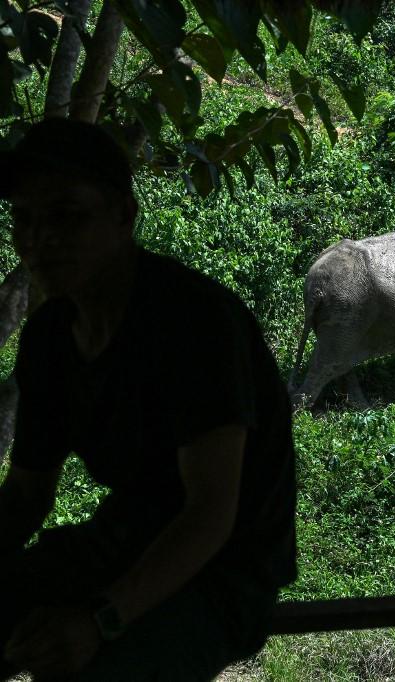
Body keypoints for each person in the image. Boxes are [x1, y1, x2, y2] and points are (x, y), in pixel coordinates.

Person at [0, 118, 297, 680]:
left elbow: (210, 513)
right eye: (23, 218)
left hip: (228, 570)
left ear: (124, 217)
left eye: (67, 215)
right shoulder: (48, 338)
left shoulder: (193, 324)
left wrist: (98, 621)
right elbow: (25, 497)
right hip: (123, 539)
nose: (39, 238)